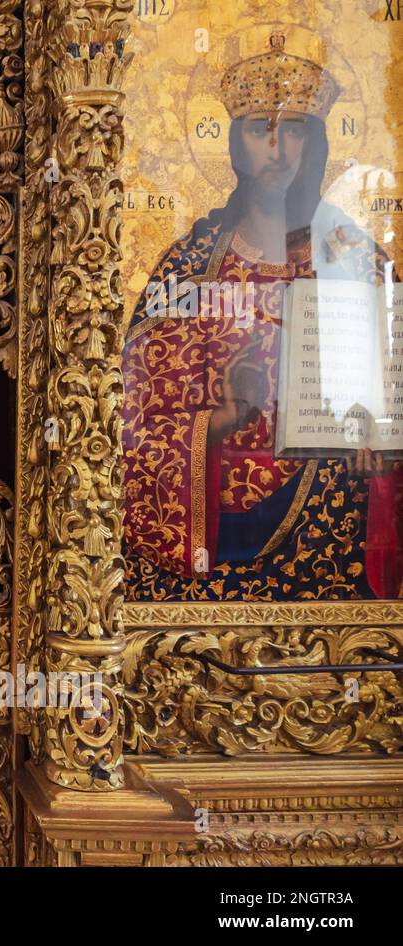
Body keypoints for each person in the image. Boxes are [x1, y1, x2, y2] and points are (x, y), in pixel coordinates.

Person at [122, 31, 400, 601]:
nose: (278, 147)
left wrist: (383, 443)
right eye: (259, 128)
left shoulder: (358, 262)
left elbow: (389, 396)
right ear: (234, 145)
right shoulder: (189, 269)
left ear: (316, 141)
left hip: (330, 544)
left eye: (294, 127)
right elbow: (128, 430)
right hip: (208, 549)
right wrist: (219, 421)